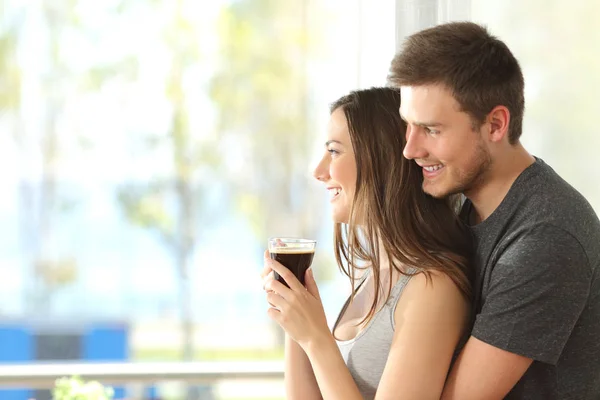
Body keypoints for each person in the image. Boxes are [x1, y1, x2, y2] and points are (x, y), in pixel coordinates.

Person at [389, 21, 600, 400]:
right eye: (408, 126)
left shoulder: (547, 235)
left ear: (496, 124)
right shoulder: (460, 208)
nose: (410, 149)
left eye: (431, 130)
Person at [261, 87, 474, 399]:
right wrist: (296, 322)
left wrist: (317, 338)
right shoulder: (372, 274)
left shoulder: (433, 287)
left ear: (382, 160)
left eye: (334, 152)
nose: (318, 171)